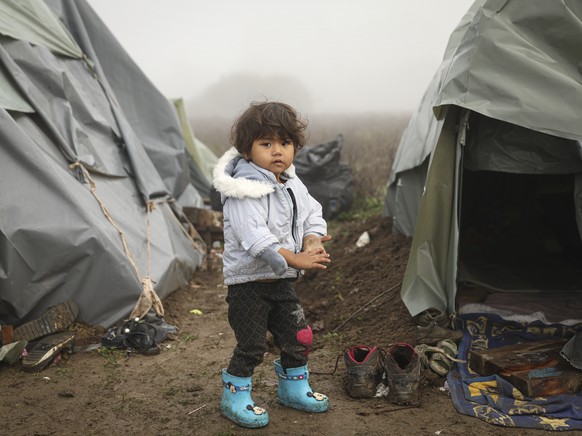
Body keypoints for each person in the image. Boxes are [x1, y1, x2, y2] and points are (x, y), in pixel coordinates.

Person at [213, 101, 331, 428]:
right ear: (247, 151)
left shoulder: (291, 182)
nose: (277, 151)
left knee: (300, 337)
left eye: (285, 143)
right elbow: (256, 238)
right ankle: (233, 397)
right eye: (266, 144)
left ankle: (293, 390)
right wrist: (296, 259)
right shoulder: (243, 190)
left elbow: (312, 213)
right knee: (252, 345)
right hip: (248, 286)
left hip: (280, 282)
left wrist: (313, 239)